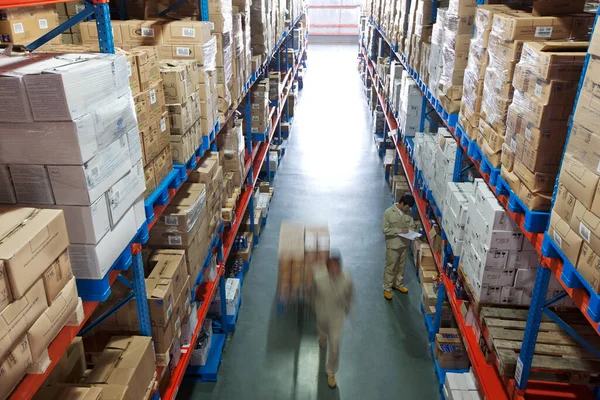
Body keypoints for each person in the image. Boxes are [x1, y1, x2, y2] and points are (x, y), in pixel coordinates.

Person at [313, 248, 354, 389]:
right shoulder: (319, 277)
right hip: (322, 313)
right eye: (331, 266)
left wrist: (348, 309)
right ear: (326, 266)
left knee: (335, 344)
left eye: (337, 266)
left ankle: (331, 371)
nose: (334, 269)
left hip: (337, 316)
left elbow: (350, 295)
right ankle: (322, 337)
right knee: (322, 331)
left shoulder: (346, 278)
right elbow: (312, 293)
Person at [382, 194, 416, 300]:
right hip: (393, 245)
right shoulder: (388, 213)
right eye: (407, 207)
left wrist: (412, 232)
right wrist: (399, 231)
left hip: (404, 244)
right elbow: (385, 230)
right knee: (391, 267)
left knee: (401, 266)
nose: (408, 209)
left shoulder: (408, 213)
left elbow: (411, 226)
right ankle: (387, 289)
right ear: (401, 203)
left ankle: (398, 284)